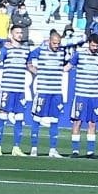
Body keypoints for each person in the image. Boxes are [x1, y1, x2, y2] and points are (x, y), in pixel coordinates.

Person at [0, 24, 33, 156]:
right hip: (7, 89)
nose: (19, 35)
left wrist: (43, 72)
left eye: (21, 33)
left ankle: (16, 147)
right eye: (17, 32)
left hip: (20, 90)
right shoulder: (5, 49)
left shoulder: (27, 50)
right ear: (11, 34)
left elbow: (30, 66)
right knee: (3, 116)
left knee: (19, 117)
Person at [28, 28, 71, 157]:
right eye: (54, 43)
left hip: (56, 91)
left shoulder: (62, 52)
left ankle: (53, 149)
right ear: (49, 41)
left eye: (58, 43)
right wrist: (34, 70)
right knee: (37, 118)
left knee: (54, 119)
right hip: (43, 91)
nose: (57, 46)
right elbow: (28, 59)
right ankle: (34, 148)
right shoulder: (40, 50)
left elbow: (67, 65)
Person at [67, 35, 98, 157]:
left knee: (93, 123)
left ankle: (90, 151)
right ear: (88, 44)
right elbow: (68, 67)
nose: (95, 48)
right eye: (93, 45)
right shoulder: (79, 54)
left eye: (97, 46)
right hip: (81, 94)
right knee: (77, 122)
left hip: (95, 95)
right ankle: (75, 151)